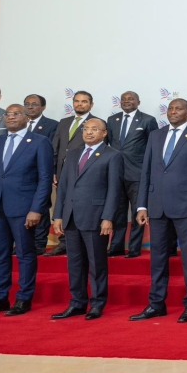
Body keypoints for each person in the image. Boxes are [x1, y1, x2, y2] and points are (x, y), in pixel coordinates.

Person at [131, 99, 187, 324]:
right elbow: (146, 171)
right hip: (157, 206)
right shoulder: (156, 135)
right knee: (157, 259)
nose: (173, 112)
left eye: (178, 109)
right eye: (170, 109)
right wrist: (142, 205)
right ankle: (156, 304)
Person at [0, 104, 54, 317]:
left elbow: (44, 179)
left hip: (24, 208)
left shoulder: (40, 142)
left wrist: (36, 209)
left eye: (16, 114)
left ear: (26, 117)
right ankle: (0, 297)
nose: (11, 117)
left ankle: (24, 298)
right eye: (8, 114)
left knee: (25, 254)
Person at [50, 118, 123, 320]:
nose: (89, 132)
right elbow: (63, 187)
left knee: (97, 264)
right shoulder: (72, 155)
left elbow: (114, 190)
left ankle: (98, 304)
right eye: (86, 129)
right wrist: (58, 215)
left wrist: (108, 218)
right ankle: (77, 303)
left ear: (104, 133)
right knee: (74, 264)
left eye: (94, 129)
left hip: (96, 218)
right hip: (71, 217)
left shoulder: (112, 156)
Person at [106, 91, 158, 258]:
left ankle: (134, 248)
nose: (127, 101)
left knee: (138, 212)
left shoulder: (148, 120)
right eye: (123, 99)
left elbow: (154, 148)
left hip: (137, 174)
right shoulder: (112, 120)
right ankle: (116, 247)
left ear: (138, 102)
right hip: (115, 173)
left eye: (131, 99)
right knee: (118, 213)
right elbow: (108, 146)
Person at [48, 90, 100, 255]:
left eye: (84, 101)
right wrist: (54, 171)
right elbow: (55, 148)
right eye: (77, 101)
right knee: (63, 205)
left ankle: (81, 243)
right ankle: (64, 242)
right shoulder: (64, 122)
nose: (80, 104)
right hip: (62, 173)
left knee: (80, 207)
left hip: (83, 172)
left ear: (91, 105)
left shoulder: (97, 123)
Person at [23, 94, 58, 256]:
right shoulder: (18, 124)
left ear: (43, 107)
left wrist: (52, 172)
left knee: (41, 208)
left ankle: (39, 244)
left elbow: (53, 151)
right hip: (20, 176)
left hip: (40, 174)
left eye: (34, 104)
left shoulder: (52, 125)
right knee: (22, 209)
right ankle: (24, 243)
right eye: (27, 104)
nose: (30, 107)